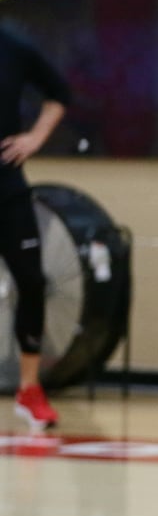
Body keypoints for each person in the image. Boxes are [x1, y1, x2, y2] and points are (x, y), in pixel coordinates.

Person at [0, 26, 68, 430]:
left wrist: (36, 137)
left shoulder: (14, 47)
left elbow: (60, 94)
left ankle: (29, 390)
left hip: (7, 187)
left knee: (32, 280)